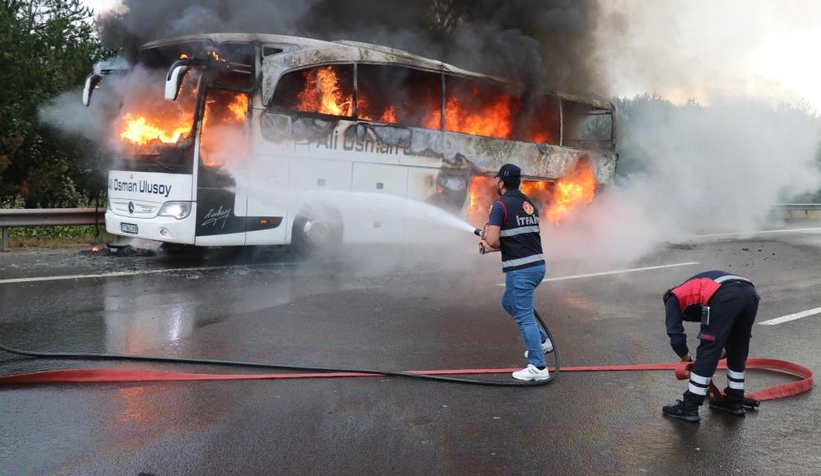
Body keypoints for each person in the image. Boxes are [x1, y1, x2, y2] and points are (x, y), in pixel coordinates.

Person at [478, 163, 553, 381]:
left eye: (498, 180)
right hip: (537, 267)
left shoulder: (500, 205)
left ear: (501, 182)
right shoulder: (529, 204)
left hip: (521, 271)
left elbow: (494, 239)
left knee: (524, 317)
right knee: (508, 302)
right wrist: (490, 247)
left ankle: (538, 367)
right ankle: (541, 341)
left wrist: (487, 241)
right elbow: (518, 240)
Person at [661, 270, 760, 422]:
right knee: (738, 347)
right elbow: (725, 326)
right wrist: (723, 349)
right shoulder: (695, 289)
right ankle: (734, 400)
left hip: (725, 295)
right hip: (750, 294)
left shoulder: (672, 298)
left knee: (707, 351)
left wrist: (685, 357)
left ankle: (689, 407)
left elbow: (675, 335)